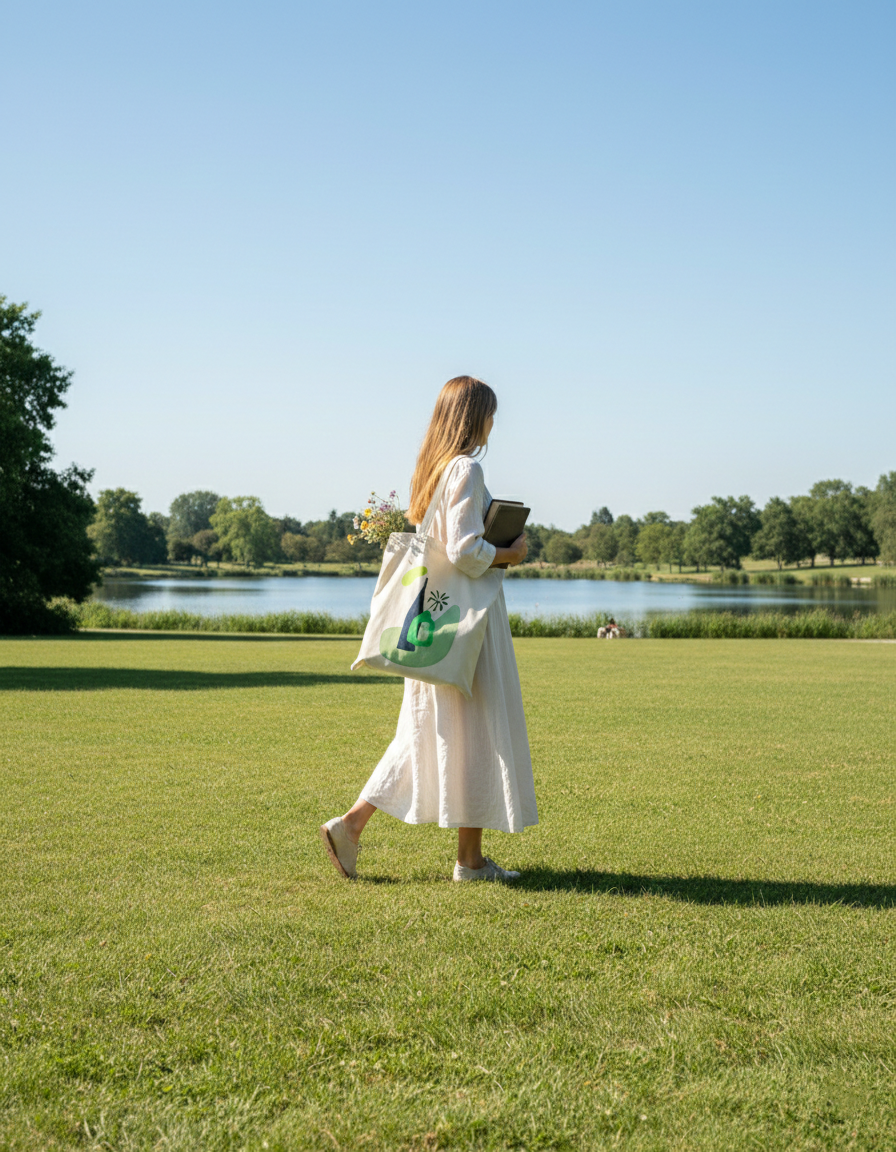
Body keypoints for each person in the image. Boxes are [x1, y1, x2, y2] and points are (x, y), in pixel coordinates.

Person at [320, 376, 538, 882]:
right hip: (464, 621)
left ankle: (357, 829)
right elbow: (464, 550)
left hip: (434, 620)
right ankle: (465, 860)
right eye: (490, 413)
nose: (493, 424)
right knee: (473, 729)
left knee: (432, 732)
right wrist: (510, 552)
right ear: (474, 417)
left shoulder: (435, 471)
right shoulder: (465, 469)